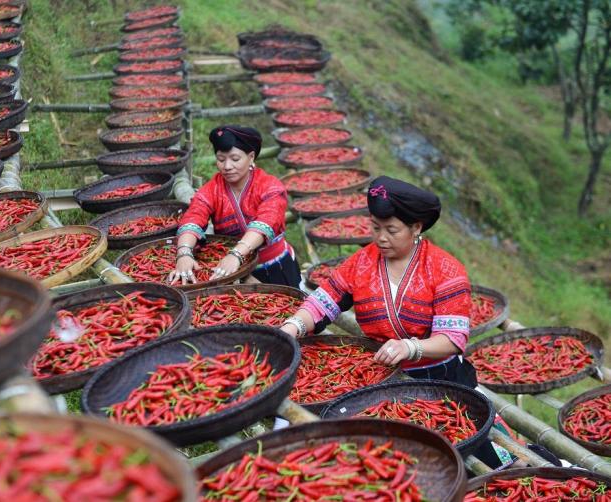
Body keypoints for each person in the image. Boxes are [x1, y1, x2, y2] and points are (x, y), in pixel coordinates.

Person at [280, 175, 512, 467]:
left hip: (440, 379)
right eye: (375, 228)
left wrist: (411, 348)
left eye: (391, 230)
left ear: (416, 227)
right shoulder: (361, 263)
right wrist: (293, 326)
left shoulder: (445, 269)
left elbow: (452, 340)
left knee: (476, 454)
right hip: (380, 379)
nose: (381, 238)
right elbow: (321, 303)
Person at [168, 125, 300, 288]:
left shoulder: (270, 186)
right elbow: (193, 217)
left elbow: (267, 222)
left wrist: (236, 254)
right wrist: (184, 252)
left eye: (235, 159)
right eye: (221, 159)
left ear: (251, 157)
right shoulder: (212, 190)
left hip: (275, 267)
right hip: (232, 270)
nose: (227, 166)